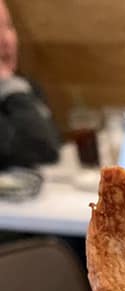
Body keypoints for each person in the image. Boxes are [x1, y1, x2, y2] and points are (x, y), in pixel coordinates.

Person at [0, 0, 59, 171]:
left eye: (8, 26)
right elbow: (43, 148)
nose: (6, 40)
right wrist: (9, 85)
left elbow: (53, 143)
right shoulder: (14, 89)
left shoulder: (23, 86)